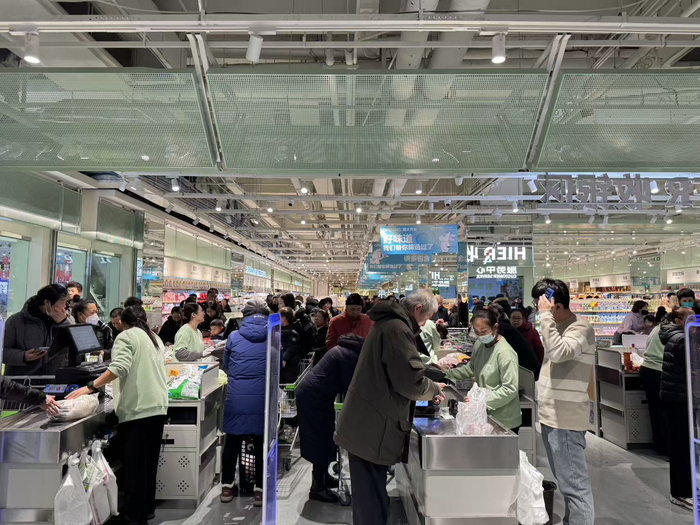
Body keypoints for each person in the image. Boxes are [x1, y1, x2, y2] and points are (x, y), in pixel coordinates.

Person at [336, 289, 445, 525]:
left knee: (371, 499)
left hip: (367, 423)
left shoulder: (389, 324)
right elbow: (410, 383)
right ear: (418, 309)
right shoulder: (397, 329)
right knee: (371, 505)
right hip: (371, 428)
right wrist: (434, 389)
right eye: (427, 317)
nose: (426, 323)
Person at [67, 305, 168, 525]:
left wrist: (91, 386)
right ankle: (146, 510)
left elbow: (119, 368)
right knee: (148, 465)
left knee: (135, 467)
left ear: (121, 322)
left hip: (138, 409)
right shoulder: (154, 338)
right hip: (158, 406)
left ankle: (134, 517)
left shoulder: (125, 337)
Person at [533, 279, 595, 525]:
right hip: (552, 417)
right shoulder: (556, 327)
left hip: (567, 419)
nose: (538, 310)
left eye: (541, 305)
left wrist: (544, 317)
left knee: (575, 487)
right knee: (567, 482)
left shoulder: (581, 328)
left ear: (556, 306)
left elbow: (559, 353)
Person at [297, 334, 365, 503]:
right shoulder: (350, 356)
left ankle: (323, 478)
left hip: (314, 395)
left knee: (325, 438)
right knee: (319, 440)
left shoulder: (342, 350)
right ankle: (317, 488)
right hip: (314, 398)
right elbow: (351, 387)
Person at [220, 298, 270, 507]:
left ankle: (227, 487)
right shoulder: (273, 337)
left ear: (244, 316)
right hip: (262, 398)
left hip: (236, 397)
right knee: (260, 442)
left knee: (232, 440)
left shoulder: (233, 336)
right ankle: (259, 490)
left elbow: (226, 365)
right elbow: (277, 366)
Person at [443, 308, 521, 433]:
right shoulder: (480, 344)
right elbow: (471, 369)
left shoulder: (505, 353)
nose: (480, 336)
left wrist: (481, 401)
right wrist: (445, 373)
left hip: (503, 419)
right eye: (477, 332)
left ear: (495, 327)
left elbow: (510, 389)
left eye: (484, 331)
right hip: (483, 414)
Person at [660, 306, 696, 510]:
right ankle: (681, 493)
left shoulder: (676, 337)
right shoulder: (681, 340)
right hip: (679, 398)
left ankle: (687, 488)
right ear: (678, 321)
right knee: (681, 448)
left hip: (678, 397)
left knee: (683, 447)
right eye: (690, 319)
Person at [3, 284, 72, 375]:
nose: (65, 306)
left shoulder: (68, 319)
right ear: (47, 302)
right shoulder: (15, 321)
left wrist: (64, 323)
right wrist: (24, 356)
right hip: (23, 380)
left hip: (55, 379)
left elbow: (77, 346)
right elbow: (3, 352)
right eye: (62, 302)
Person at [489, 303, 541, 381]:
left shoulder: (506, 329)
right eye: (513, 318)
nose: (515, 320)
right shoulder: (508, 329)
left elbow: (539, 350)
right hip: (518, 368)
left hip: (527, 370)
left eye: (518, 318)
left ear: (523, 319)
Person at [640, 314, 668, 457]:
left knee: (656, 410)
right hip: (660, 371)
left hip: (648, 370)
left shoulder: (657, 329)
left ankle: (660, 445)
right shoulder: (671, 332)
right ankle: (666, 446)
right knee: (664, 411)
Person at [279, 307, 303, 384]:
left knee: (288, 383)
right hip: (281, 363)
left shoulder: (292, 333)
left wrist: (284, 359)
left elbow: (291, 347)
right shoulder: (280, 330)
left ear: (284, 318)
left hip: (289, 365)